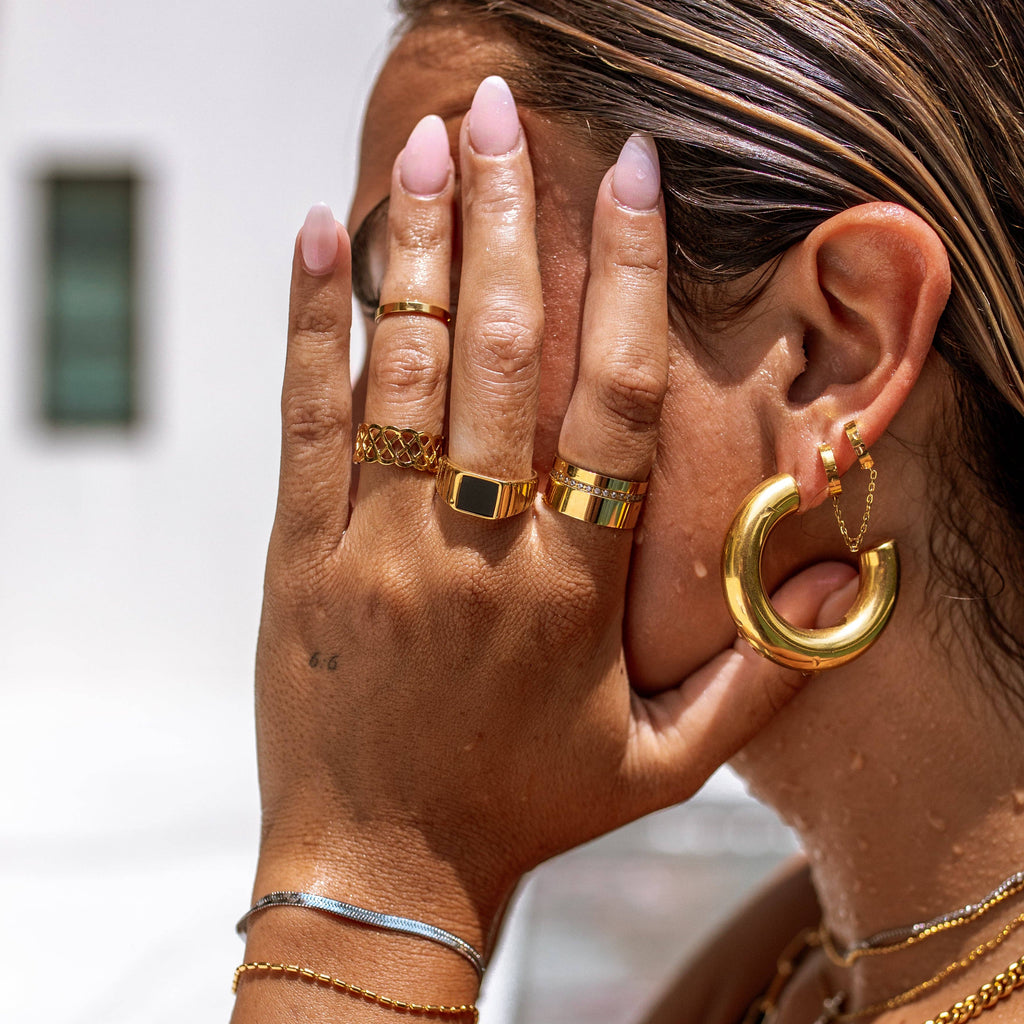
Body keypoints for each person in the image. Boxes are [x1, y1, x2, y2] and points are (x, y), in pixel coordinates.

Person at [230, 1, 1024, 1022]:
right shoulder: (792, 964)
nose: (383, 417)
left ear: (835, 344)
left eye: (453, 283)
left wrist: (373, 866)